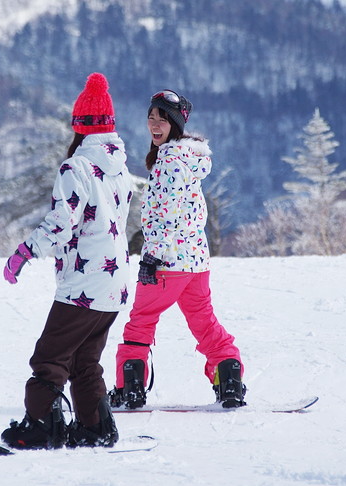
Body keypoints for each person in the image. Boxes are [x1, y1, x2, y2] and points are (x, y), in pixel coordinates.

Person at [1, 73, 132, 449]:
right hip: (114, 284)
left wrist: (26, 252)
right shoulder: (119, 168)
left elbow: (61, 224)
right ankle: (96, 427)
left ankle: (43, 427)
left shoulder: (75, 169)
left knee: (50, 357)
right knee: (85, 361)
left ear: (79, 126)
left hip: (84, 284)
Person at [109, 89, 246, 409]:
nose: (155, 125)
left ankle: (130, 389)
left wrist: (153, 254)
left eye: (163, 119)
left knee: (140, 323)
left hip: (167, 262)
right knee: (205, 322)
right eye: (151, 117)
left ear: (176, 124)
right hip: (195, 262)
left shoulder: (170, 161)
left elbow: (165, 213)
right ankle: (229, 382)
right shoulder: (188, 157)